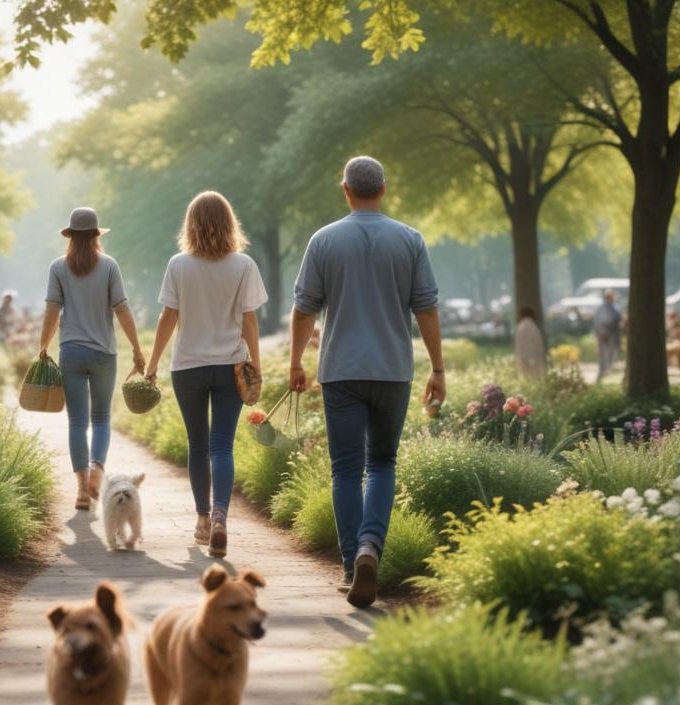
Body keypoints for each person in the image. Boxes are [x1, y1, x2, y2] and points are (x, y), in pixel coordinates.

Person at [289, 156, 444, 606]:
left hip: (340, 371)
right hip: (393, 370)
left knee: (345, 467)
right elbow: (426, 308)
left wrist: (297, 361)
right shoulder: (410, 240)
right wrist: (438, 368)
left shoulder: (323, 240)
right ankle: (370, 547)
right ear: (384, 188)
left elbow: (304, 309)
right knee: (382, 462)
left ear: (345, 190)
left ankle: (348, 564)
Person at [144, 192, 267, 558]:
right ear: (230, 222)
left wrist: (151, 365)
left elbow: (168, 318)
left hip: (188, 367)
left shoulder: (178, 265)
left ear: (190, 224)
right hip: (230, 366)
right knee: (221, 445)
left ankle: (200, 520)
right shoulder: (243, 265)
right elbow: (249, 320)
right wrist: (255, 365)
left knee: (197, 445)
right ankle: (220, 518)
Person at [39, 207, 145, 512]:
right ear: (96, 235)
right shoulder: (109, 266)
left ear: (70, 236)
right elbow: (122, 309)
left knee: (76, 422)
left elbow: (52, 311)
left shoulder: (58, 267)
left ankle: (82, 492)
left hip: (71, 351)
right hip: (104, 353)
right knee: (100, 419)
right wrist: (137, 348)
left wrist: (42, 345)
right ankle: (98, 470)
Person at [594, 288, 622, 383]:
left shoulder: (612, 307)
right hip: (605, 333)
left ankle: (606, 369)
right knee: (603, 353)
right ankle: (603, 371)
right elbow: (602, 321)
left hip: (610, 333)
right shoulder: (603, 307)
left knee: (610, 352)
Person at [514, 307, 547, 379]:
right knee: (535, 377)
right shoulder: (534, 327)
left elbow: (518, 346)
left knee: (525, 376)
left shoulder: (520, 327)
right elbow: (538, 345)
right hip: (535, 357)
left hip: (522, 357)